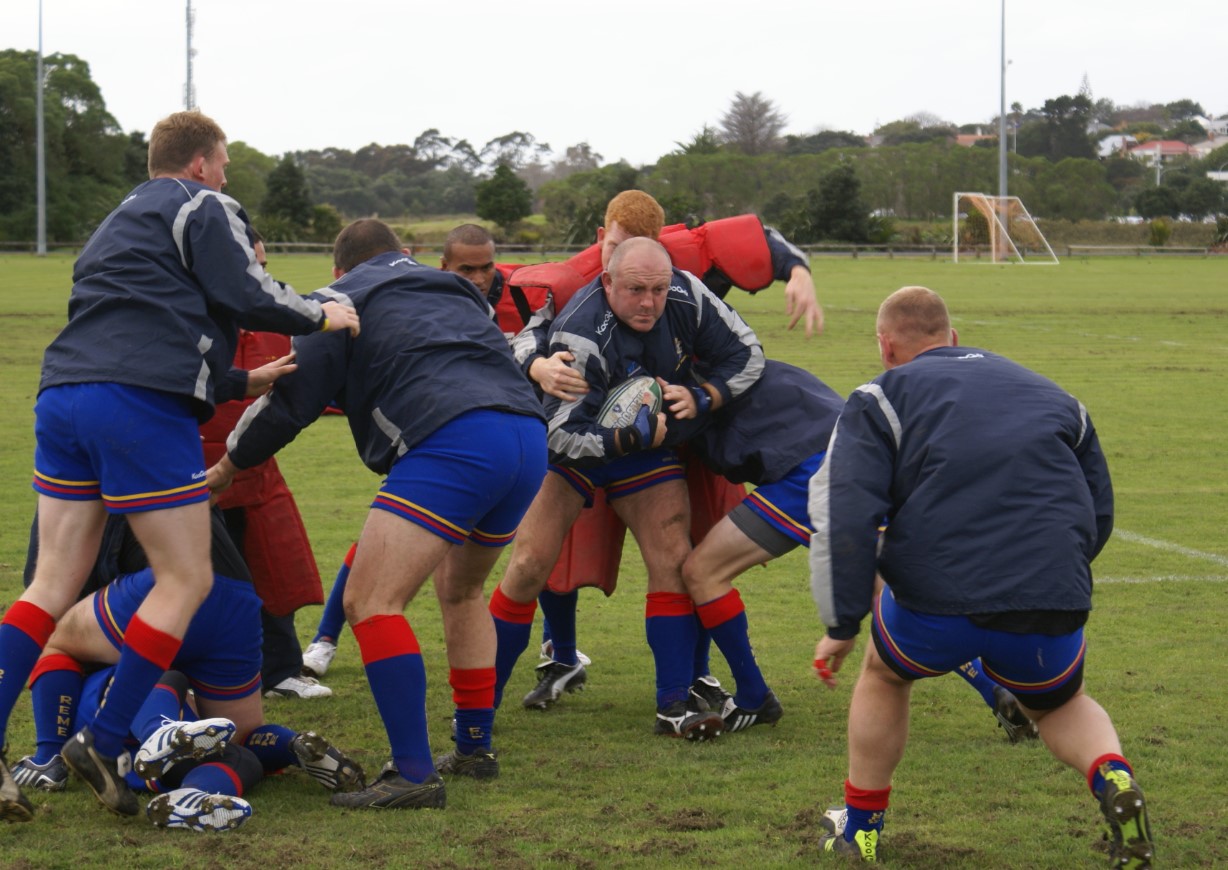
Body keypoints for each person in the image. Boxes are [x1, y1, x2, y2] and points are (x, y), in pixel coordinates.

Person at [0, 109, 359, 824]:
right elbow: (247, 292)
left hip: (63, 394)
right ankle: (105, 743)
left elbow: (133, 324)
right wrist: (324, 313)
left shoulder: (116, 219)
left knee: (50, 582)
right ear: (200, 163)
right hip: (137, 408)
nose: (225, 177)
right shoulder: (205, 203)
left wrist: (231, 382)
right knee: (188, 576)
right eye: (222, 164)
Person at [808, 286, 1153, 866]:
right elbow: (1096, 511)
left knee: (885, 676)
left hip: (936, 603)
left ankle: (860, 832)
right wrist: (1049, 576)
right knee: (1060, 705)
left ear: (885, 346)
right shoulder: (1054, 395)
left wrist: (842, 621)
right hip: (1050, 596)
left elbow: (846, 512)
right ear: (954, 338)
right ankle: (1113, 778)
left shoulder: (879, 395)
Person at [210, 218, 547, 809]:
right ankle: (474, 746)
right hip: (526, 436)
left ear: (340, 270)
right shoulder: (455, 288)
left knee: (369, 600)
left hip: (453, 438)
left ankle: (414, 774)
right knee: (463, 592)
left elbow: (291, 400)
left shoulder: (337, 299)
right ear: (406, 254)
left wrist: (230, 464)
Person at [489, 236, 764, 740]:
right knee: (528, 566)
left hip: (643, 449)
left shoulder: (688, 294)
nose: (649, 302)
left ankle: (673, 706)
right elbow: (561, 436)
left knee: (673, 559)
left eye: (658, 289)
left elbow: (748, 354)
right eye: (636, 289)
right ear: (607, 279)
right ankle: (480, 704)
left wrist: (706, 395)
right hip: (573, 449)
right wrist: (624, 435)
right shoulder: (581, 333)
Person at [10, 508, 363, 830]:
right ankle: (282, 749)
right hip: (233, 603)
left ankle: (55, 759)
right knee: (241, 746)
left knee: (54, 630)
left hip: (135, 735)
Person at [199, 232, 332, 700]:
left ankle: (278, 670)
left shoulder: (277, 325)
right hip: (194, 475)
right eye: (250, 267)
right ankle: (198, 677)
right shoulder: (188, 320)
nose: (262, 277)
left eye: (264, 265)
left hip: (254, 471)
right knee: (205, 582)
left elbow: (311, 386)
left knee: (275, 568)